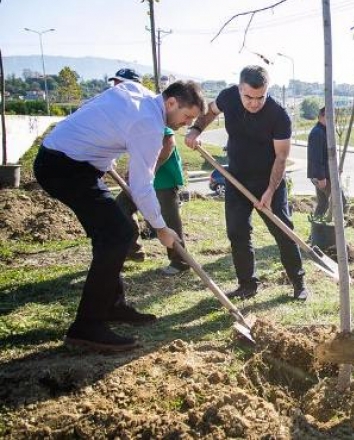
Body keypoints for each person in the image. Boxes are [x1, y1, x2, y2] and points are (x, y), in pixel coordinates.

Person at [33, 80, 206, 351]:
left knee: (111, 233)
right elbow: (141, 185)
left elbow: (101, 112)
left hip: (72, 161)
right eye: (186, 117)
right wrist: (161, 228)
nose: (186, 123)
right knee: (117, 234)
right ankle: (87, 327)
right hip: (64, 168)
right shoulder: (148, 124)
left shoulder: (137, 92)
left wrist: (103, 150)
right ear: (171, 103)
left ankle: (112, 306)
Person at [185, 65, 309, 301]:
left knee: (283, 231)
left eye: (260, 97)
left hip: (269, 180)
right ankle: (247, 284)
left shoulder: (278, 115)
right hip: (236, 177)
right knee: (237, 232)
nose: (254, 103)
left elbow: (281, 157)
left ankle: (298, 282)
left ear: (267, 90)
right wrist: (196, 129)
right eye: (248, 97)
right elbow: (209, 112)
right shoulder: (228, 97)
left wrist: (271, 190)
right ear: (240, 88)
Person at [116, 127, 190, 275]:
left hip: (162, 180)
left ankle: (180, 261)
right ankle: (133, 251)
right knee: (121, 207)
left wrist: (150, 170)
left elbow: (169, 142)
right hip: (139, 179)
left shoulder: (153, 114)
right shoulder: (130, 117)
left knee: (169, 221)